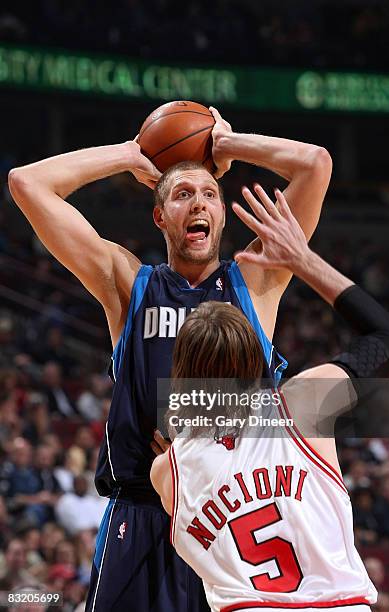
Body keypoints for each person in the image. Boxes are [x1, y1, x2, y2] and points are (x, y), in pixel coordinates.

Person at [9, 107, 332, 611]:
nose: (198, 203)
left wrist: (225, 144)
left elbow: (314, 164)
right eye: (182, 195)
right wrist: (130, 155)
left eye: (208, 195)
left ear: (222, 214)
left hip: (233, 518)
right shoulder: (130, 285)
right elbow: (27, 183)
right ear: (160, 216)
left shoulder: (257, 282)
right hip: (141, 516)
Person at [151, 188, 389, 611]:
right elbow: (388, 337)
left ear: (182, 374)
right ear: (258, 361)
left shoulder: (167, 470)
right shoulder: (302, 403)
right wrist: (302, 260)